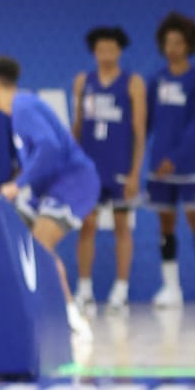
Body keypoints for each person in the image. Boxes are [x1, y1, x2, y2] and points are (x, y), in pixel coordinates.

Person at [0, 57, 95, 354]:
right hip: (48, 189)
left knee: (39, 247)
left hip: (73, 185)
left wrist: (16, 185)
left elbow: (50, 149)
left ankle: (72, 319)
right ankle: (25, 312)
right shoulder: (17, 113)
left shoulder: (22, 106)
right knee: (12, 236)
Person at [146, 11, 195, 307]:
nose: (172, 48)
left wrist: (176, 159)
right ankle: (171, 288)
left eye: (178, 42)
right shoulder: (156, 80)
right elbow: (149, 122)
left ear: (189, 44)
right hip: (159, 166)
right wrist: (153, 157)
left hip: (188, 165)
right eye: (168, 42)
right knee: (165, 225)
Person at [71, 25, 147, 310]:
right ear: (94, 52)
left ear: (119, 51)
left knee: (121, 225)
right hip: (90, 165)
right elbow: (77, 125)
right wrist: (73, 165)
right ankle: (85, 289)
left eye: (111, 49)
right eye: (101, 49)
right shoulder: (83, 81)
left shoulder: (132, 82)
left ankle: (121, 289)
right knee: (87, 225)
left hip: (119, 165)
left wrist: (134, 171)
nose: (105, 54)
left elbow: (139, 130)